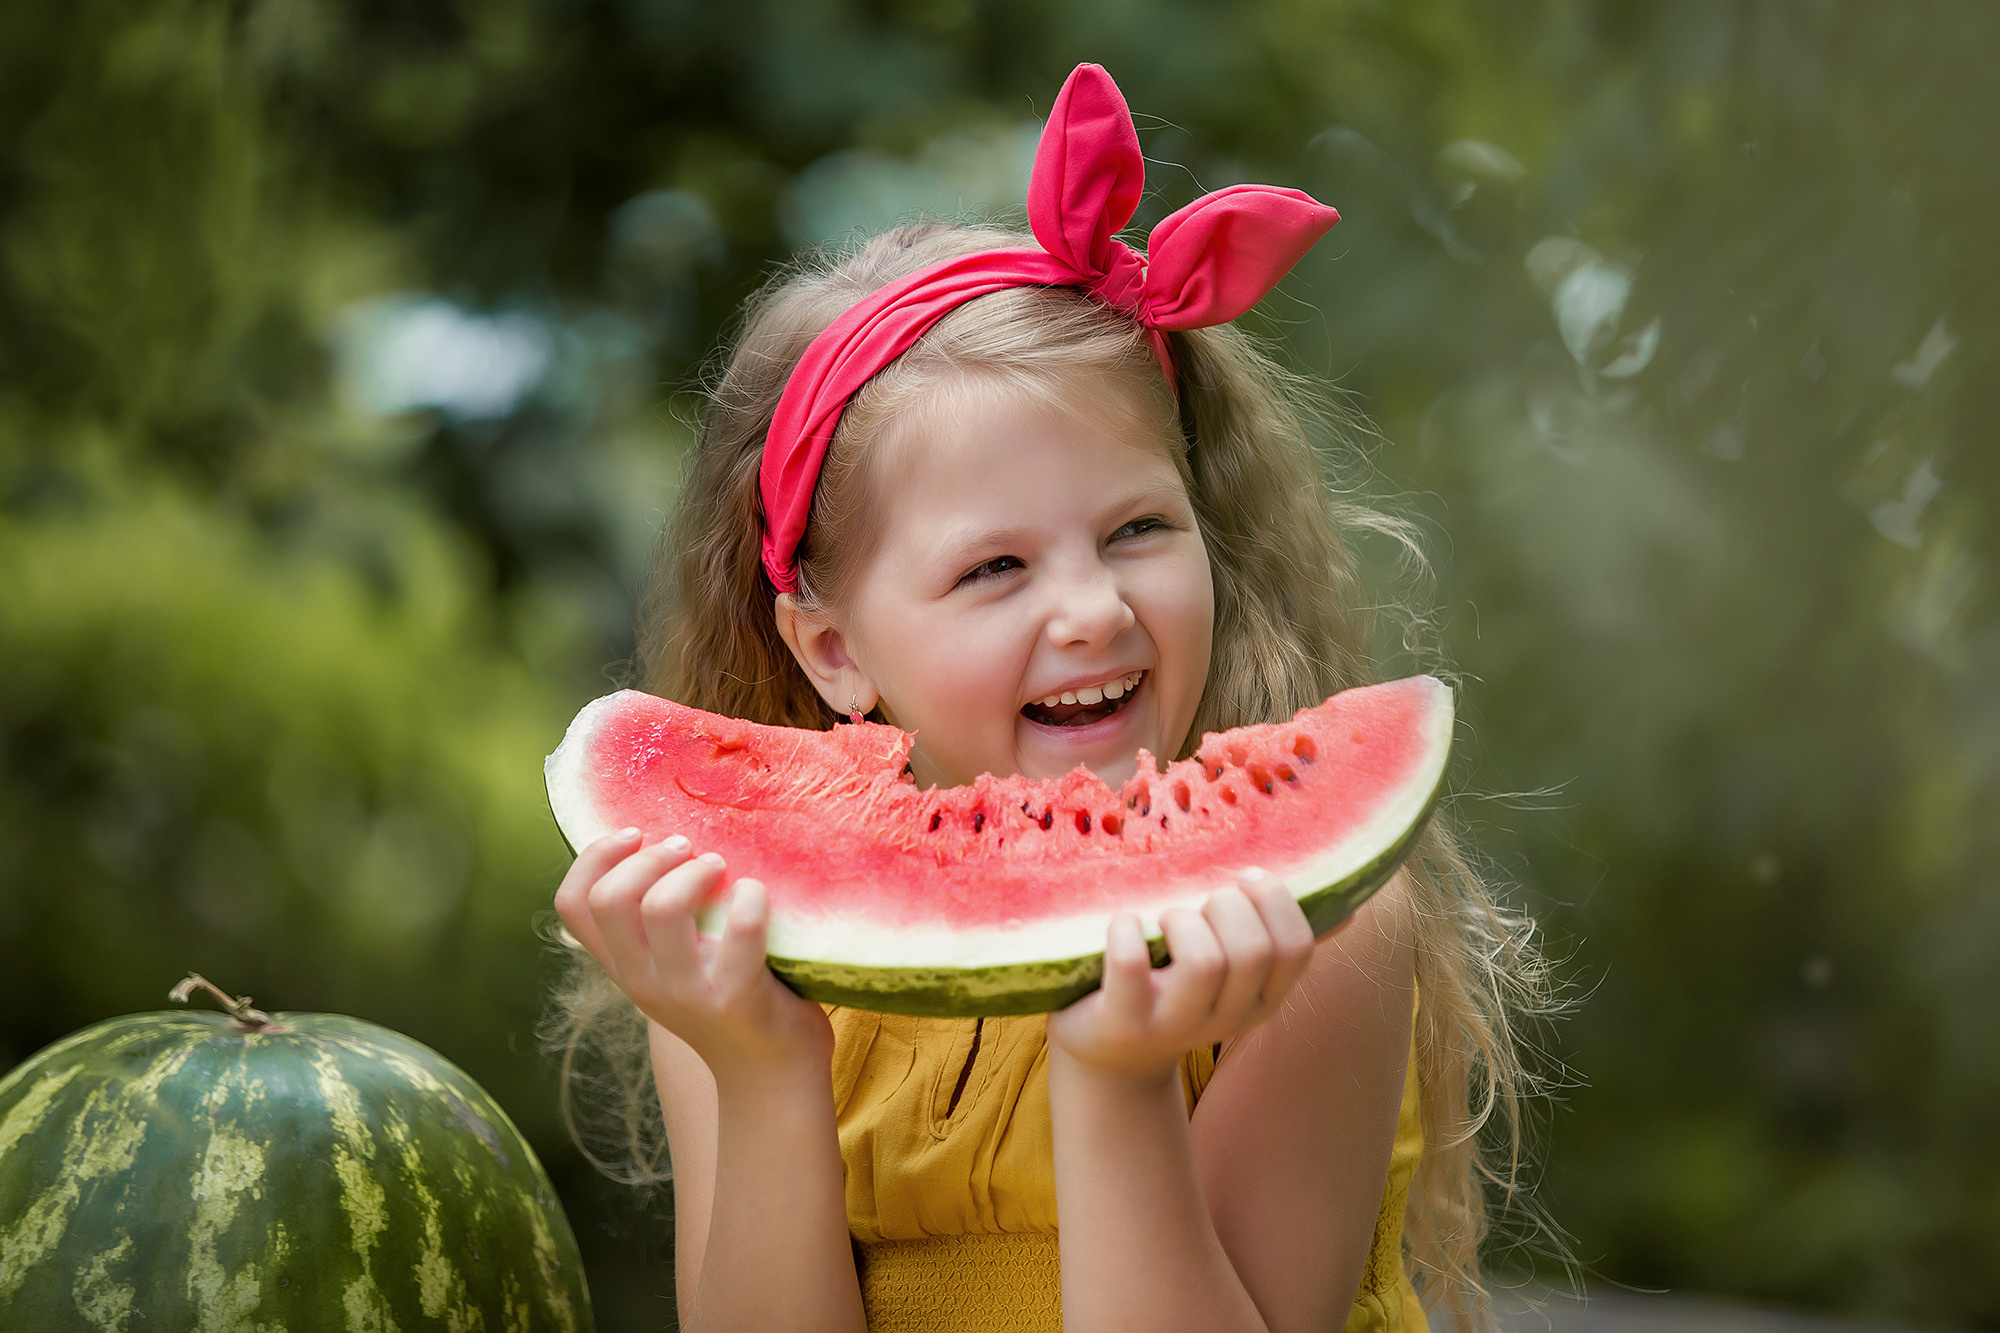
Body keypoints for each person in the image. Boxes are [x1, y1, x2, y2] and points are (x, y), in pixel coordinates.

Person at [548, 63, 1546, 1333]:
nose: (1089, 608)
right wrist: (757, 1070)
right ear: (833, 651)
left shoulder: (1312, 936)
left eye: (1135, 528)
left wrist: (1117, 1079)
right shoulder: (736, 951)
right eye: (994, 567)